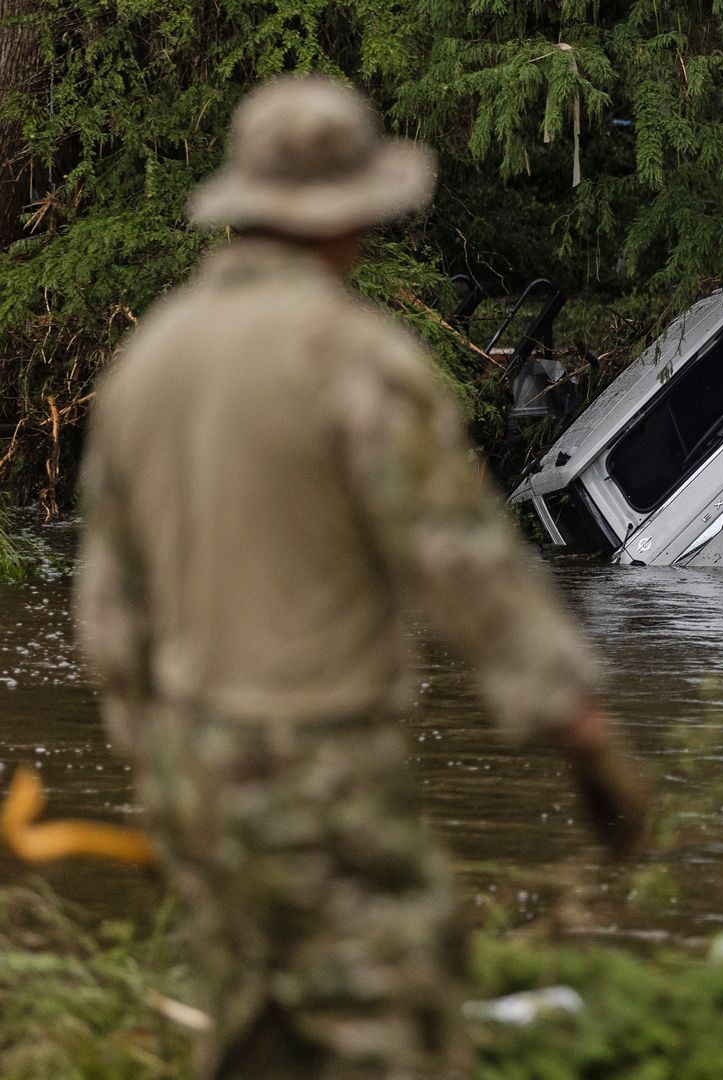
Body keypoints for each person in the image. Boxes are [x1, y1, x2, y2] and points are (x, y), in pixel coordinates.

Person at [72, 75, 650, 1079]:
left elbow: (106, 609)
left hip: (190, 771)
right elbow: (464, 563)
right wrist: (583, 731)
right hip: (319, 771)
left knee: (258, 1035)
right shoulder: (352, 358)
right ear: (351, 219)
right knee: (398, 1036)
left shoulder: (147, 362)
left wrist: (158, 759)